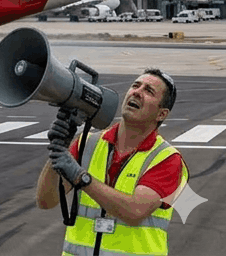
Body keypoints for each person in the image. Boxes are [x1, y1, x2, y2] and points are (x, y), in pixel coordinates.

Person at [36, 68, 188, 255]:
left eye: (148, 91)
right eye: (135, 85)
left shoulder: (167, 159)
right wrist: (58, 149)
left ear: (161, 114)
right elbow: (46, 200)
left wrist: (81, 178)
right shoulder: (87, 143)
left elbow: (134, 212)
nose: (137, 92)